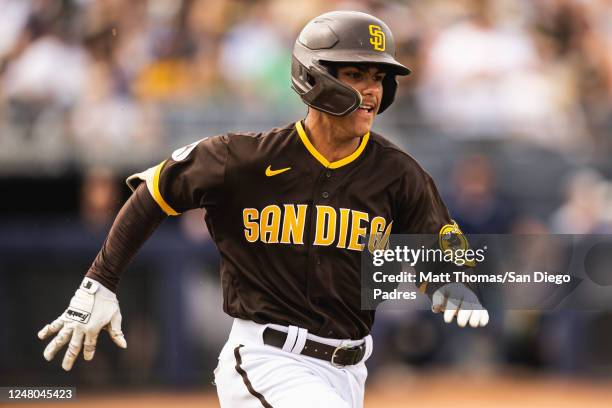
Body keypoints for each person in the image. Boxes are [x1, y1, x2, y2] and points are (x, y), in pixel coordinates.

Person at [37, 11, 489, 408]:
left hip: (349, 372)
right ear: (315, 76)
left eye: (378, 77)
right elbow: (155, 192)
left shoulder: (398, 173)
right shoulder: (245, 158)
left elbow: (438, 247)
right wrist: (101, 281)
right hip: (267, 359)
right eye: (355, 73)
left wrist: (448, 282)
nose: (370, 90)